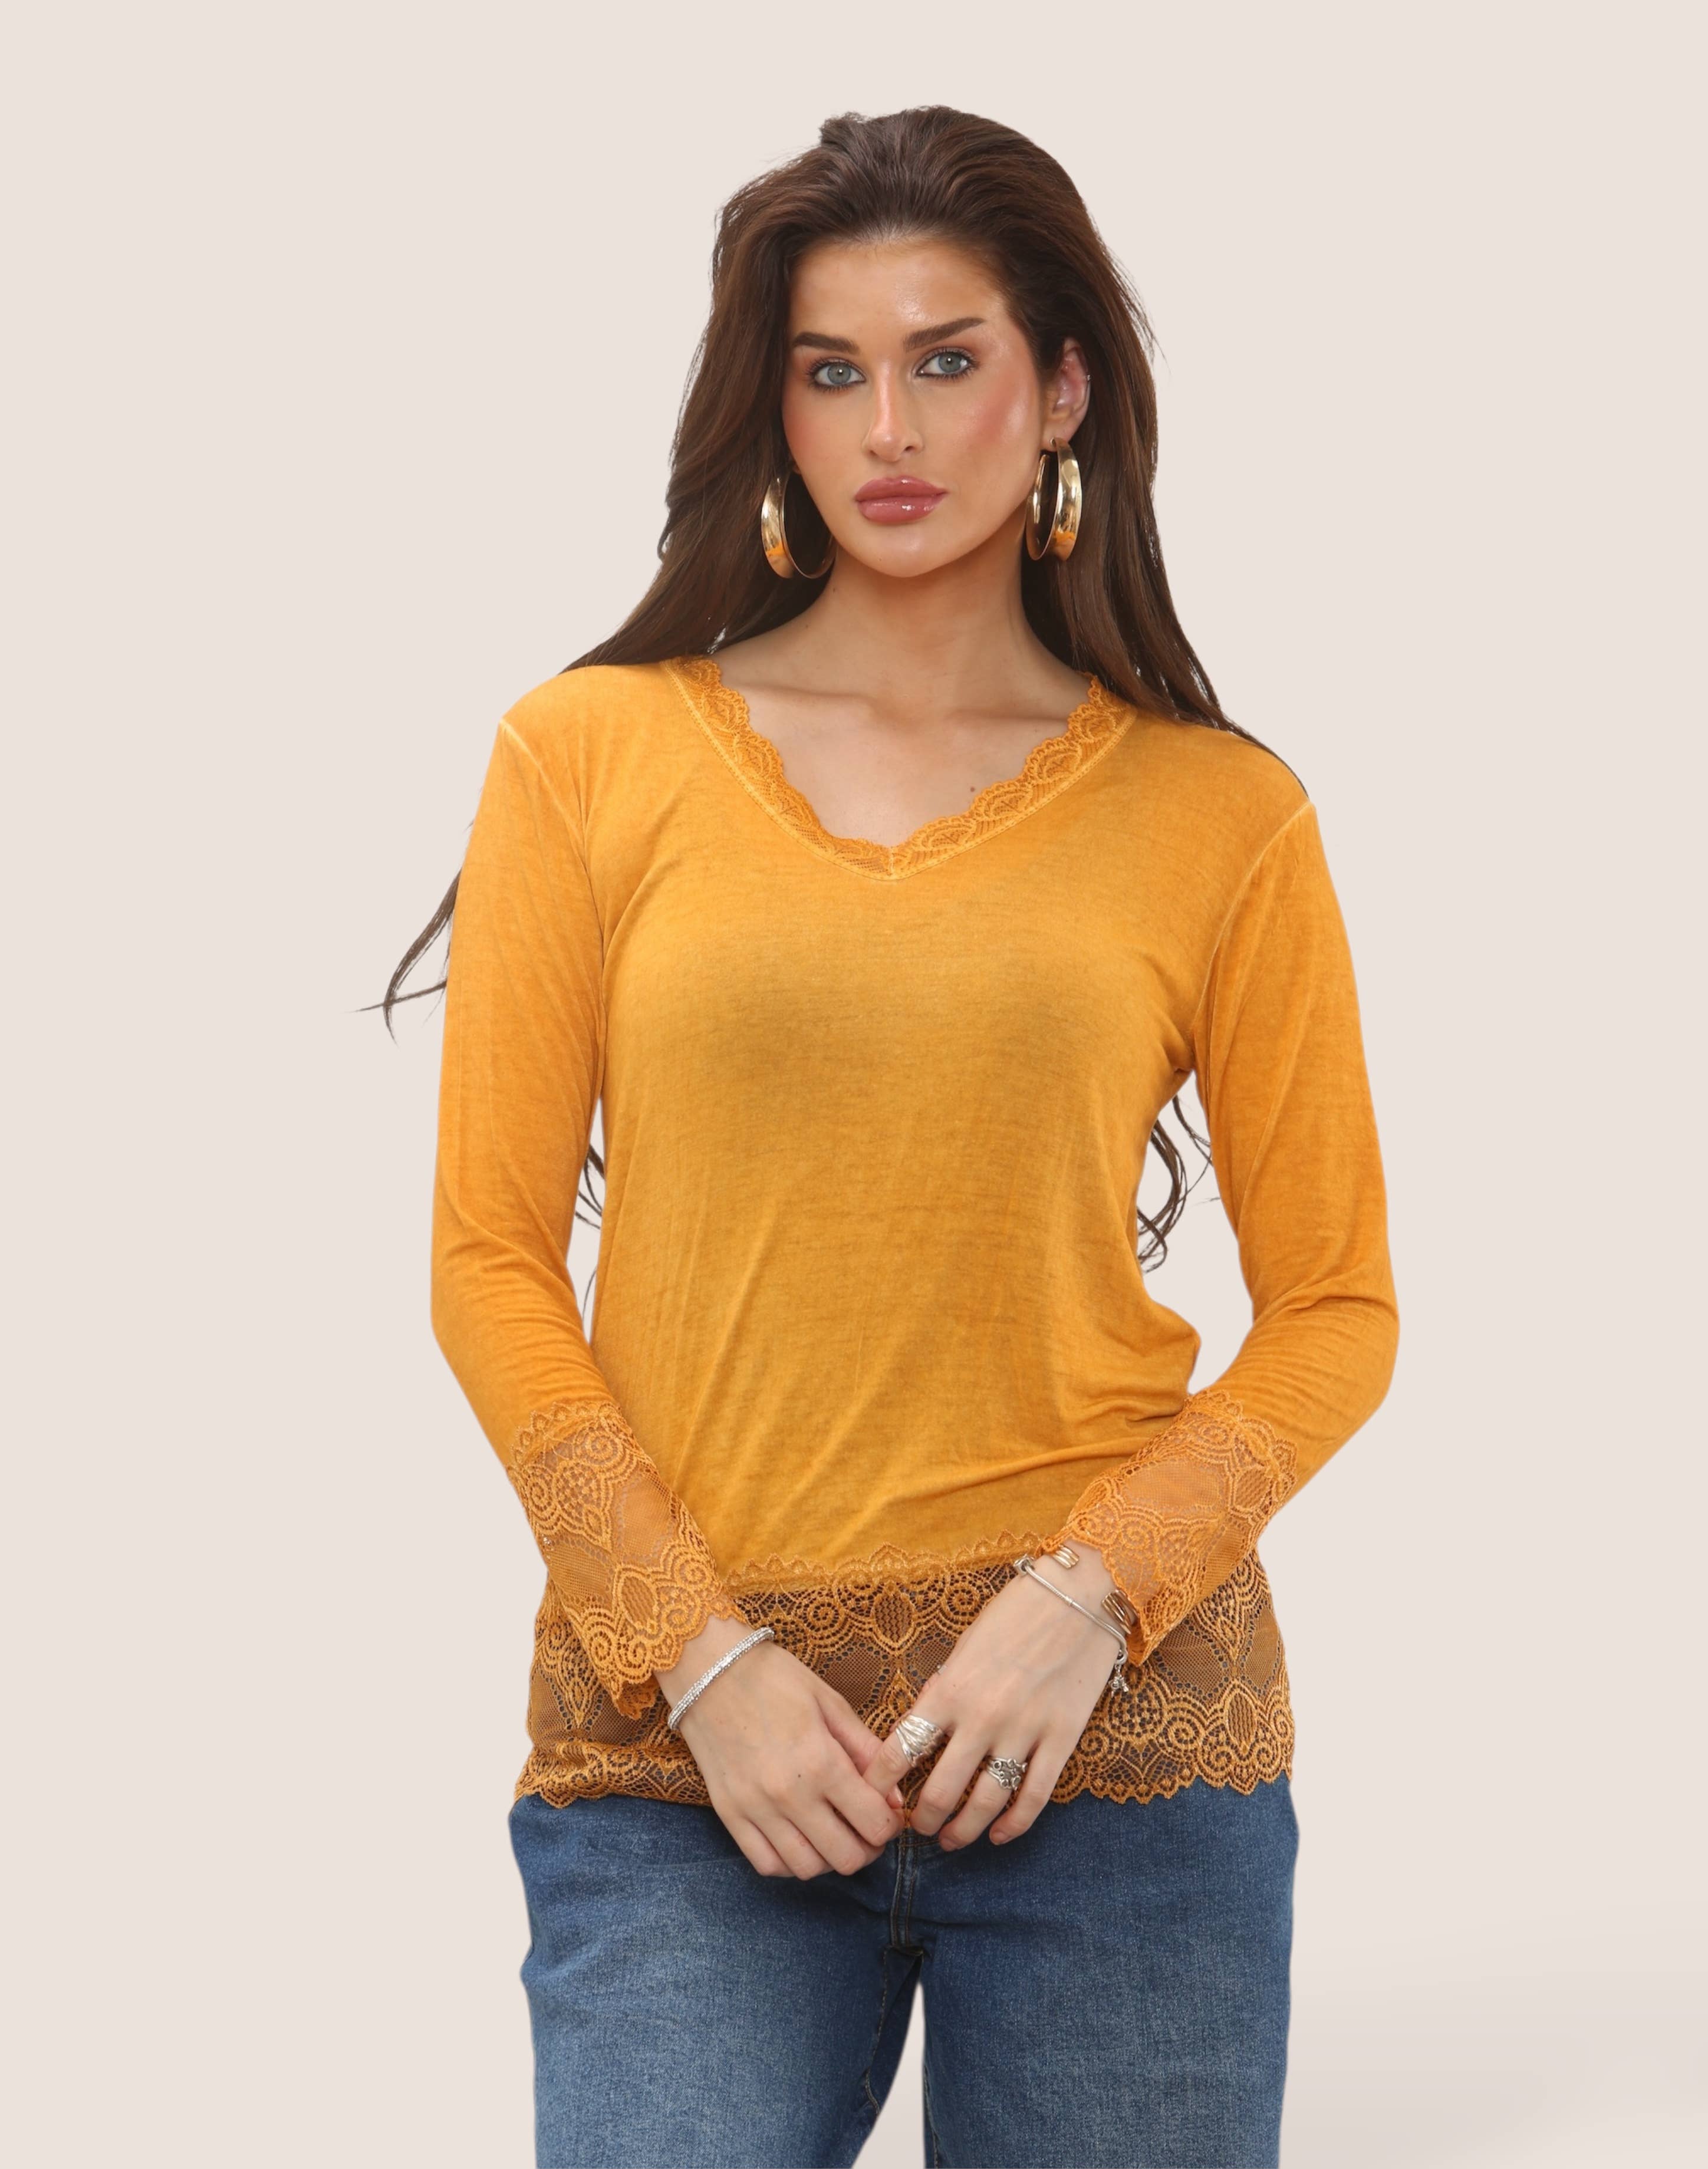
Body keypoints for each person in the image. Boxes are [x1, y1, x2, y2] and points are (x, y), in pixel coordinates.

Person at [392, 105, 1397, 2169]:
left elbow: (1337, 1312)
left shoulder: (1219, 813)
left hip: (1109, 1749)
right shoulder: (587, 756)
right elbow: (487, 1264)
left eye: (947, 359)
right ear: (769, 408)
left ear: (1063, 390)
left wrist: (1084, 1603)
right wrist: (701, 1660)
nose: (892, 429)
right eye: (830, 372)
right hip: (692, 1763)